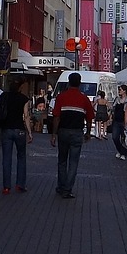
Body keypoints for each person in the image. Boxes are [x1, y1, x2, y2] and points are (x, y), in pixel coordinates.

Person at [51, 71, 95, 199]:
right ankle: (67, 189)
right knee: (73, 162)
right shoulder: (84, 98)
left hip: (63, 131)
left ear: (69, 82)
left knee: (62, 160)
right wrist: (87, 132)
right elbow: (90, 117)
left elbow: (56, 117)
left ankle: (61, 185)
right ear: (80, 83)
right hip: (77, 132)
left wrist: (54, 134)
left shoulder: (61, 97)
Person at [0, 79, 33, 194]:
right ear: (19, 88)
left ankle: (6, 186)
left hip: (6, 129)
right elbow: (26, 115)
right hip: (19, 130)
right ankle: (20, 185)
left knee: (6, 158)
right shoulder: (23, 99)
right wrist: (29, 132)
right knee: (21, 157)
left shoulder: (4, 96)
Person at [110, 86, 127, 159]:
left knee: (123, 138)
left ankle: (124, 153)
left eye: (120, 90)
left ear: (124, 91)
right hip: (116, 121)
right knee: (115, 137)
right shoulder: (117, 99)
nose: (119, 91)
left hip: (124, 121)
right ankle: (120, 150)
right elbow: (113, 109)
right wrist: (111, 118)